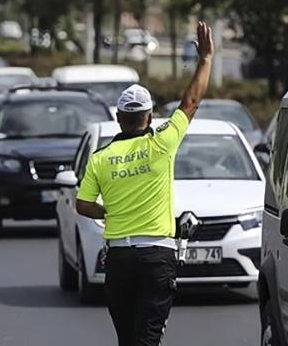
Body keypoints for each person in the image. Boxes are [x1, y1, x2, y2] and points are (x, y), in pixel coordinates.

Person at [75, 21, 214, 346]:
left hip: (120, 261)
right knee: (146, 339)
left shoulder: (101, 157)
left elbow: (82, 205)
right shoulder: (163, 142)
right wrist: (205, 60)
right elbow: (191, 102)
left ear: (119, 118)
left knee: (128, 340)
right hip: (157, 257)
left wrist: (107, 211)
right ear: (150, 117)